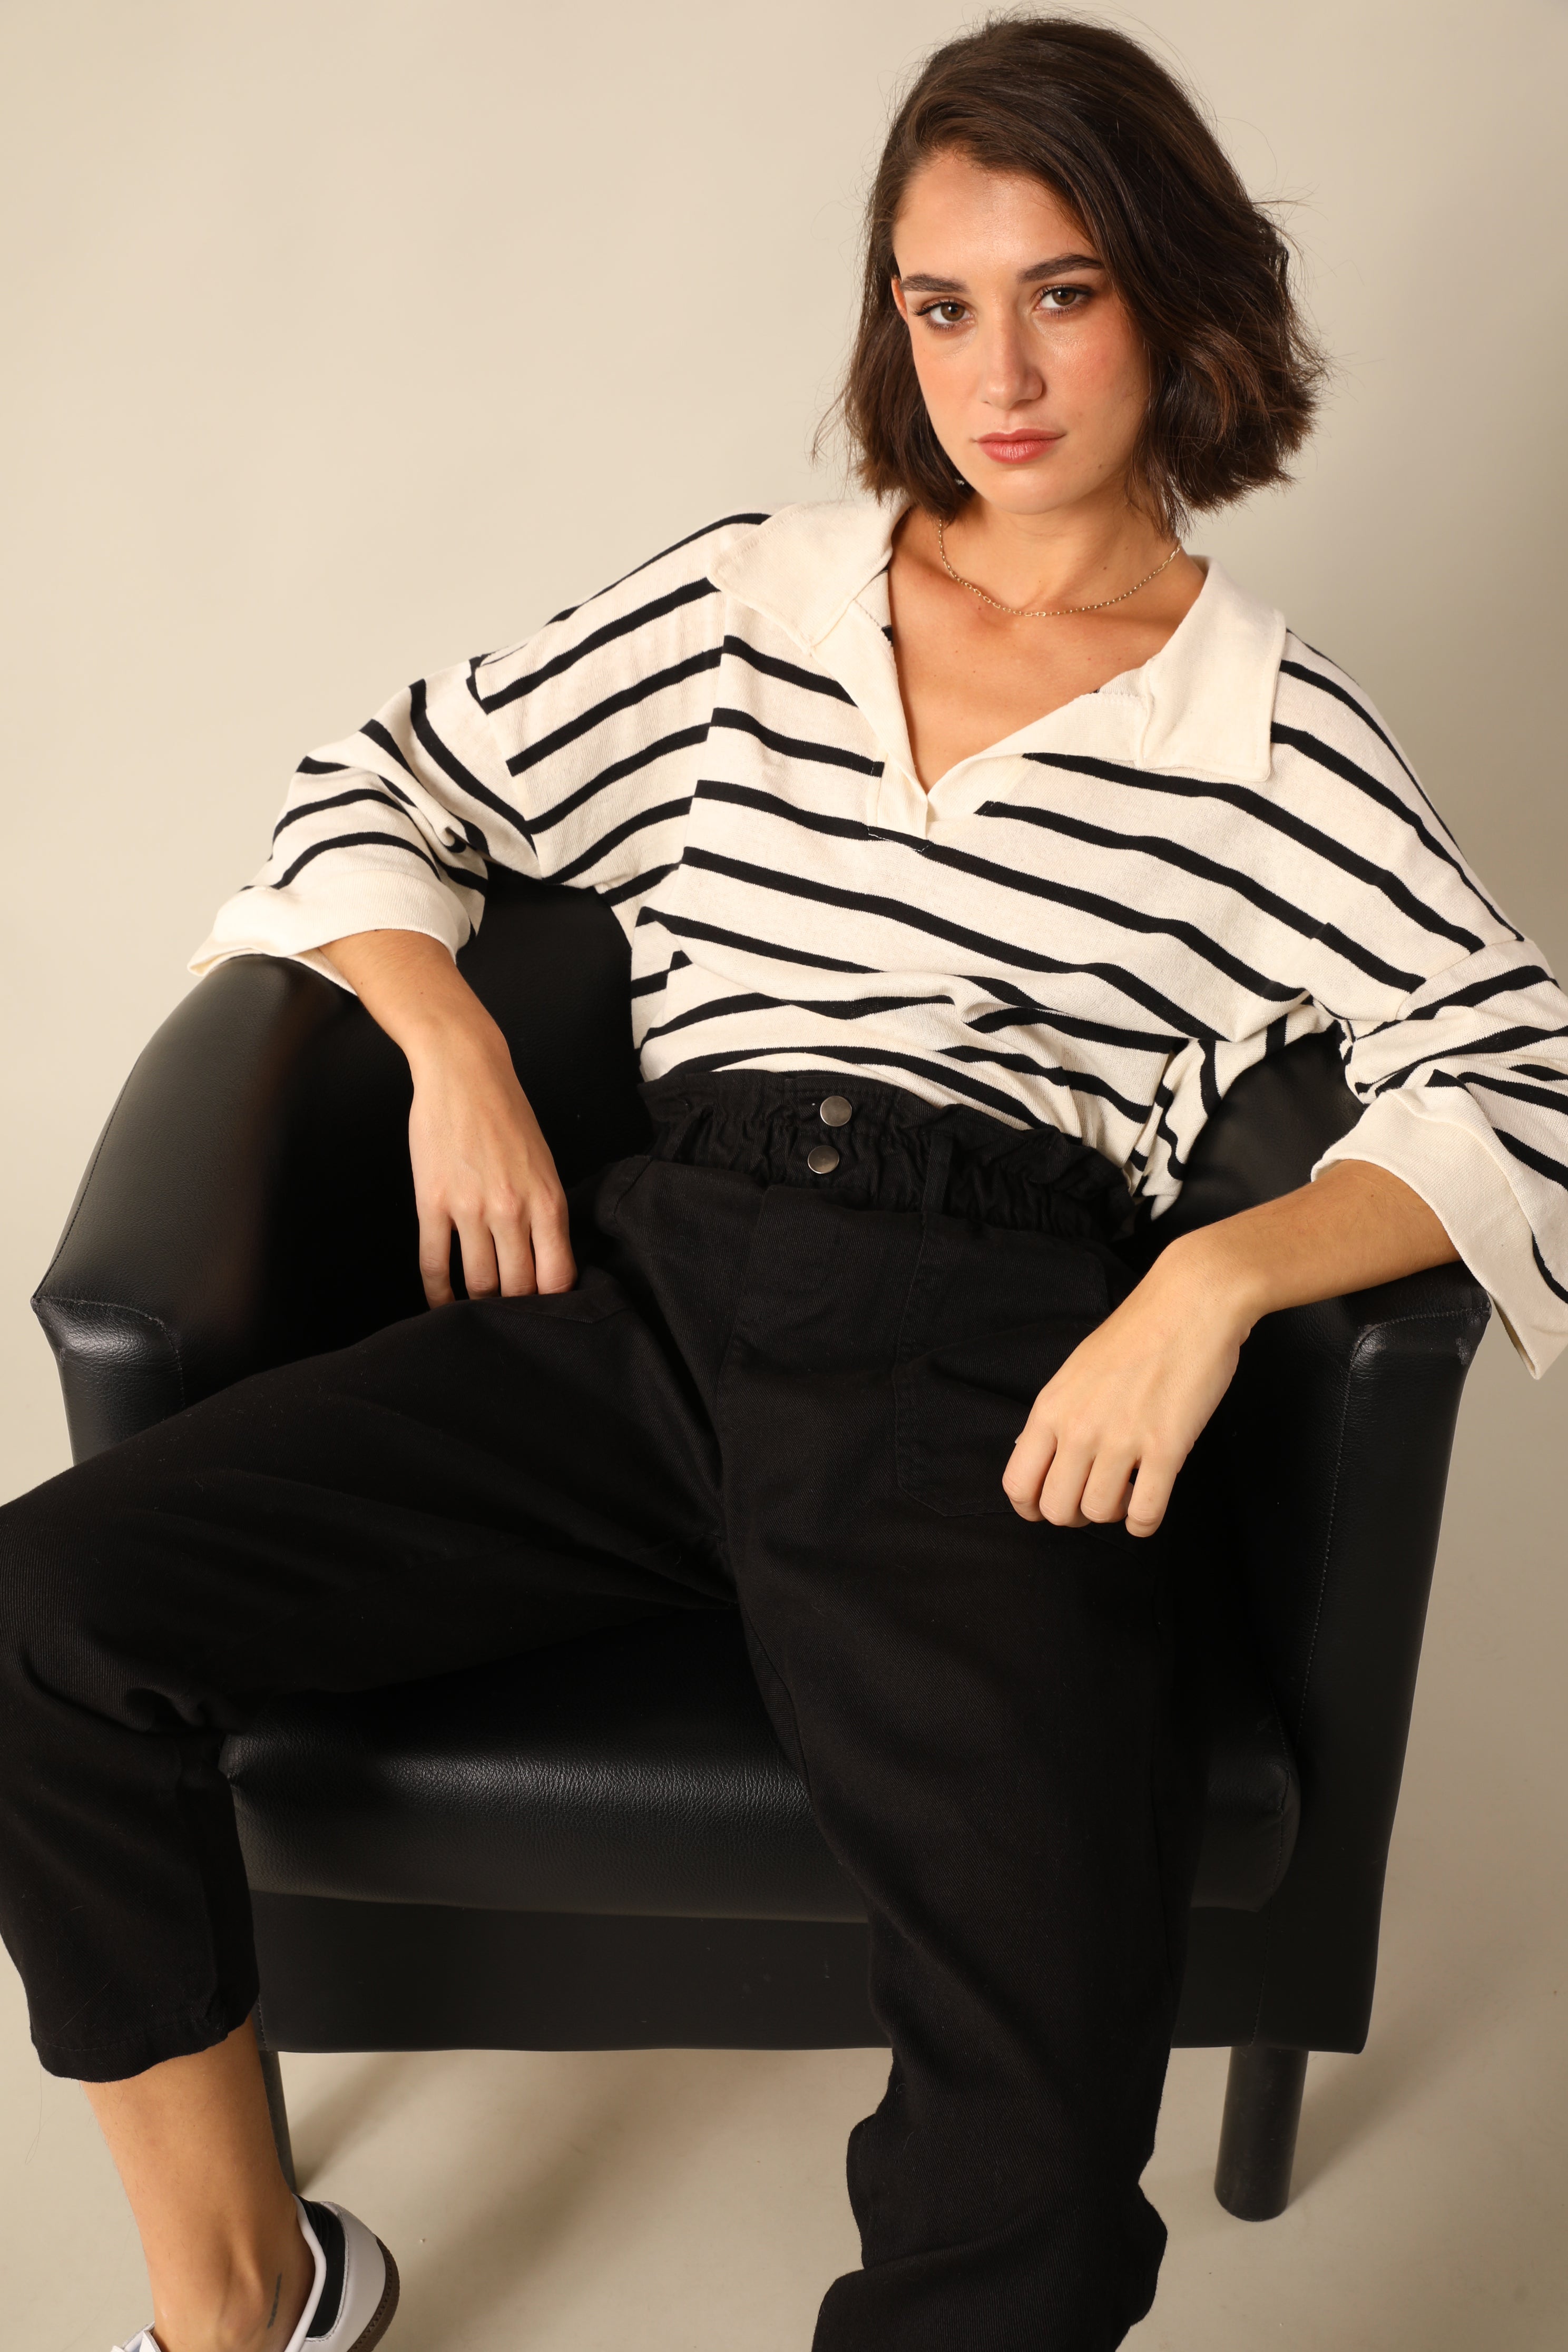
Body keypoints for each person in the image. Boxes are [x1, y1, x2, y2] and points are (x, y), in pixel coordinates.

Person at [4, 15, 1567, 2352]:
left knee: (1040, 2117)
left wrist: (1216, 1281)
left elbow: (1527, 1074)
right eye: (943, 305)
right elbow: (380, 779)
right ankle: (248, 2292)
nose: (996, 373)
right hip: (647, 1293)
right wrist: (447, 1040)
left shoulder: (1268, 730)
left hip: (986, 1367)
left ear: (1177, 304)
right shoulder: (758, 600)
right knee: (51, 1612)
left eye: (1061, 294)